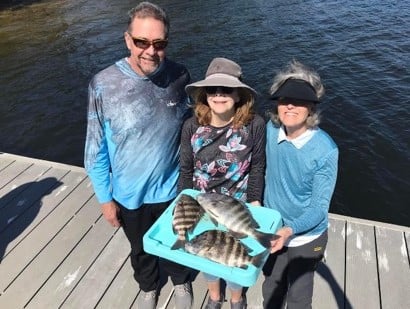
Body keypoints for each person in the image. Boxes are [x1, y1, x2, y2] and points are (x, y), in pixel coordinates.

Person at [84, 2, 193, 309]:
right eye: (142, 42)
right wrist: (106, 200)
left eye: (159, 43)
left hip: (172, 190)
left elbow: (193, 128)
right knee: (140, 248)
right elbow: (95, 151)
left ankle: (181, 282)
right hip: (129, 194)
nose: (150, 50)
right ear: (127, 39)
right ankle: (148, 286)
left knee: (178, 242)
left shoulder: (180, 75)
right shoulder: (103, 84)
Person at [178, 57, 266, 309]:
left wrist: (255, 199)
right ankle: (215, 297)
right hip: (201, 202)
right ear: (204, 95)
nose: (218, 94)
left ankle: (237, 298)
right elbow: (186, 169)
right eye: (212, 89)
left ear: (238, 95)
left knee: (233, 252)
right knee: (208, 252)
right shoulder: (191, 126)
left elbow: (258, 165)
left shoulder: (254, 125)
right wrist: (183, 201)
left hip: (237, 204)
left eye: (226, 89)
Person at [262, 60, 339, 308]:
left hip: (306, 237)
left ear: (312, 107)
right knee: (271, 287)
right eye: (284, 99)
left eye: (301, 100)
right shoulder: (271, 129)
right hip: (272, 226)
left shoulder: (326, 150)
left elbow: (318, 208)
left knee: (299, 297)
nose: (291, 105)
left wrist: (289, 231)